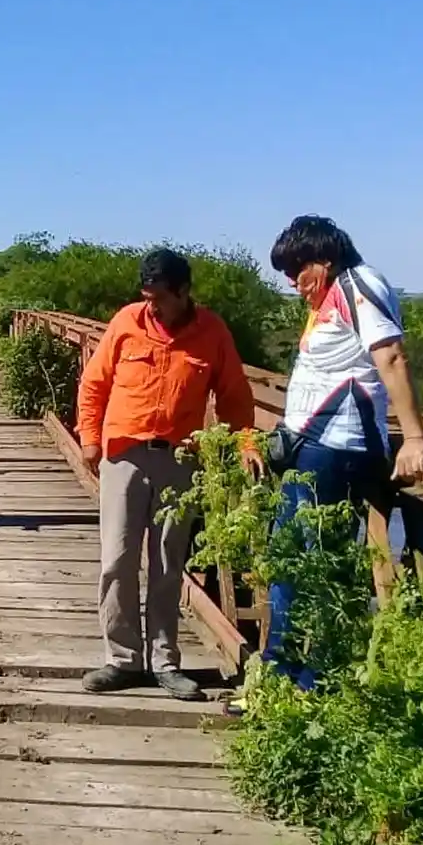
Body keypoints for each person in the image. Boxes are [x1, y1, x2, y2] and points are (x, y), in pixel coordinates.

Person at [246, 215, 423, 699]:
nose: (292, 283)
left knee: (322, 572)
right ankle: (280, 678)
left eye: (296, 271)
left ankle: (314, 685)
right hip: (312, 450)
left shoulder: (360, 285)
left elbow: (391, 356)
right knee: (290, 565)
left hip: (338, 450)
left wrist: (414, 440)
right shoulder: (333, 294)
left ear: (323, 261)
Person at [76, 248, 259, 701]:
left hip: (180, 460)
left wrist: (246, 444)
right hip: (123, 455)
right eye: (147, 295)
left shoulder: (212, 331)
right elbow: (94, 384)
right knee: (117, 560)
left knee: (167, 564)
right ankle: (121, 660)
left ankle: (164, 661)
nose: (152, 305)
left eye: (160, 296)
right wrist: (90, 439)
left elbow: (235, 397)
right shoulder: (126, 323)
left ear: (183, 291)